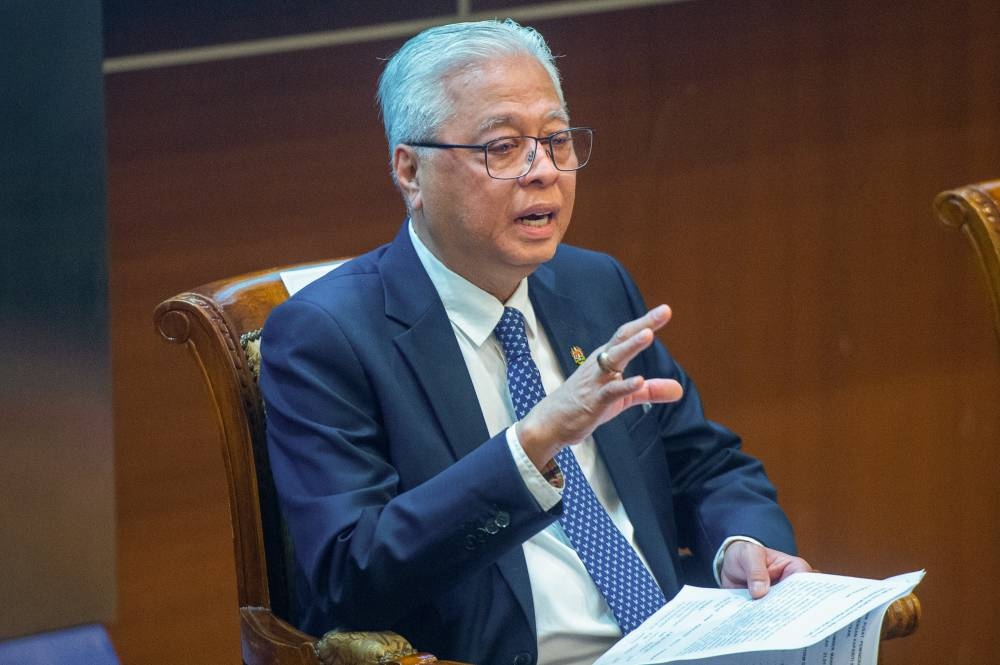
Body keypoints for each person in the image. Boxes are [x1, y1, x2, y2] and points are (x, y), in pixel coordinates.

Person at [259, 18, 811, 665]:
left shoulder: (593, 285)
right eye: (502, 146)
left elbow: (706, 465)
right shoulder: (328, 334)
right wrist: (532, 444)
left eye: (556, 140)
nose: (543, 170)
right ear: (410, 170)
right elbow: (347, 575)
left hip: (672, 645)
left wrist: (741, 544)